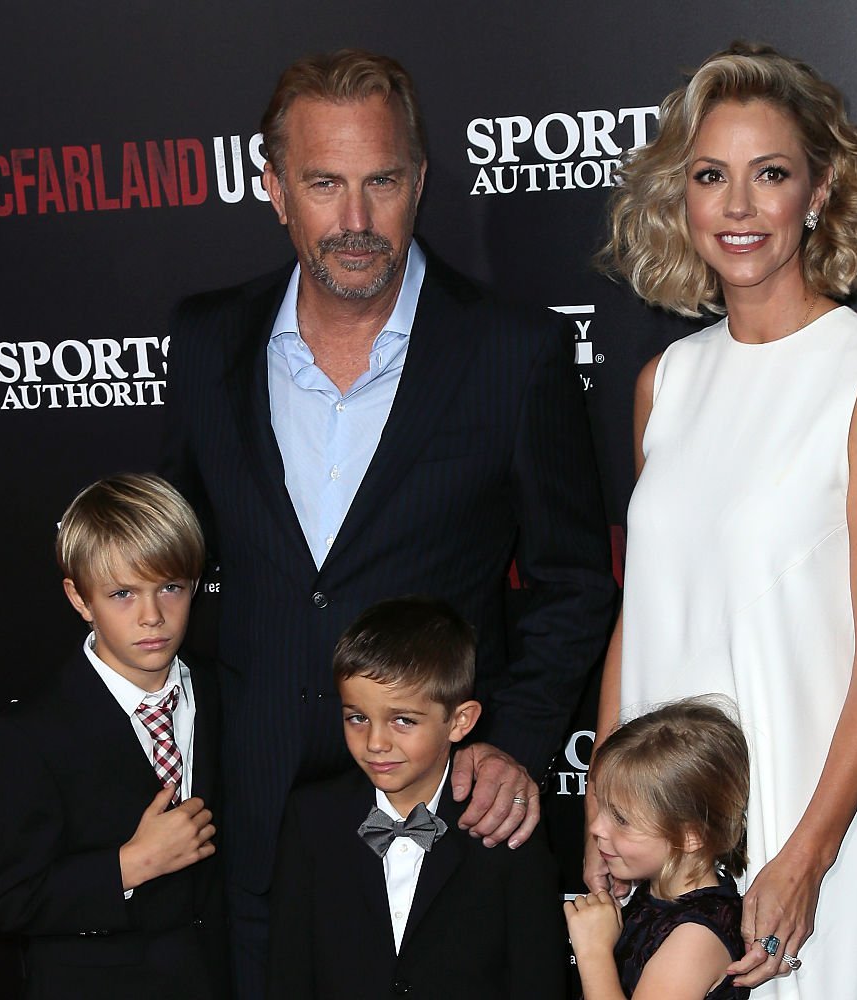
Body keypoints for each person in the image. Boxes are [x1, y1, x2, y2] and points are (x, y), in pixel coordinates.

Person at [161, 48, 614, 996]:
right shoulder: (206, 343)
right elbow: (165, 560)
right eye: (324, 183)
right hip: (255, 821)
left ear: (420, 181)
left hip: (445, 821)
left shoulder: (512, 350)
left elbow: (574, 582)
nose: (356, 221)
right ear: (275, 187)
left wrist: (514, 744)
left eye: (382, 183)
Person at [586, 41, 857, 999]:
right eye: (711, 176)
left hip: (796, 820)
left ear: (819, 191)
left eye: (770, 174)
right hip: (665, 840)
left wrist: (806, 858)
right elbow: (644, 607)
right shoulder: (667, 382)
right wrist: (605, 815)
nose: (739, 207)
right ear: (682, 197)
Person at [0, 474, 227, 1000]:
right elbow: (9, 898)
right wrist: (131, 864)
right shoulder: (33, 736)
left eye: (170, 587)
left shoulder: (225, 694)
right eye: (122, 594)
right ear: (80, 598)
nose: (152, 616)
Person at [267, 596, 567, 999]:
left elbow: (537, 981)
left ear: (460, 721)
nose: (375, 742)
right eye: (357, 717)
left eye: (403, 720)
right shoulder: (312, 817)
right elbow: (289, 975)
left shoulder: (503, 823)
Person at [567, 698, 750, 1000]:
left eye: (621, 819)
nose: (596, 828)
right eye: (600, 807)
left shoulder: (696, 937)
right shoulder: (660, 898)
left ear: (690, 835)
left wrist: (593, 953)